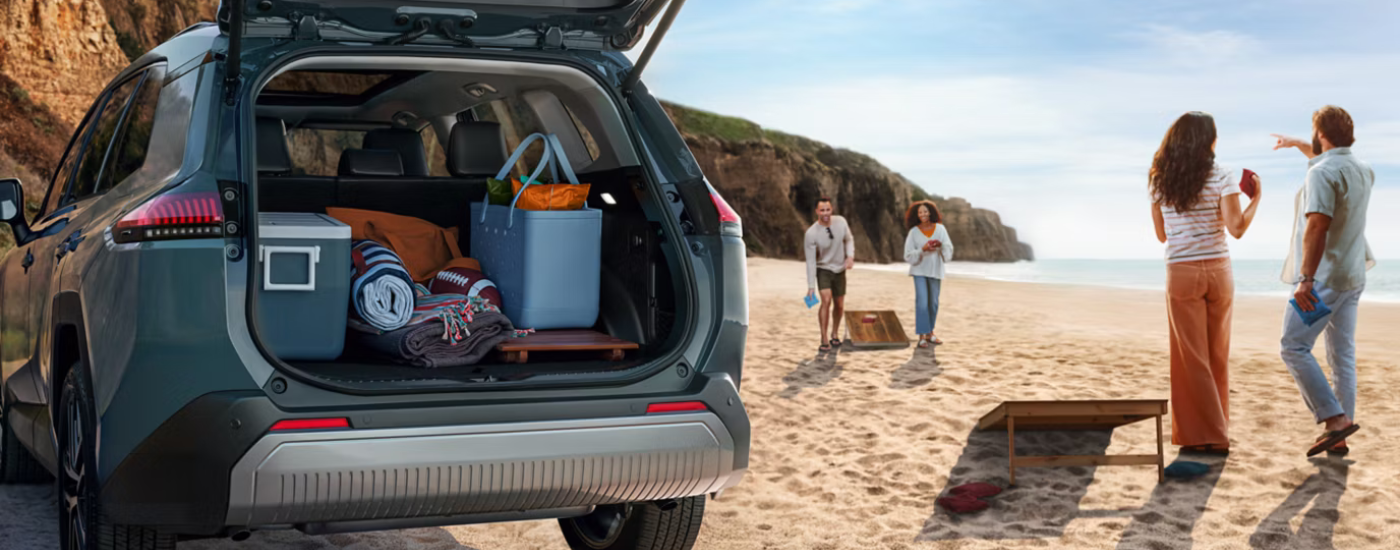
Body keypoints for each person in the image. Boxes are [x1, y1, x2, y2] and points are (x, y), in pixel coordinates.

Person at [1149, 111, 1262, 454]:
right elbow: (1237, 229)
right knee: (1216, 355)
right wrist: (1255, 199)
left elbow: (1161, 234)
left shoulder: (1159, 179)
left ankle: (1208, 436)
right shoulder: (1223, 175)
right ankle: (1215, 431)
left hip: (1181, 272)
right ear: (1208, 141)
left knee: (1190, 359)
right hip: (1218, 271)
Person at [1271, 105, 1374, 457]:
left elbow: (1317, 226)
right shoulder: (1363, 170)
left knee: (1293, 346)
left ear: (1322, 135)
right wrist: (1298, 142)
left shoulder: (1322, 173)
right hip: (1353, 276)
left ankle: (1335, 420)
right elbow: (1324, 160)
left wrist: (1305, 280)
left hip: (1325, 280)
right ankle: (1340, 435)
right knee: (1342, 356)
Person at [805, 197, 855, 352]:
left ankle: (834, 334)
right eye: (822, 210)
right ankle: (824, 338)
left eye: (828, 210)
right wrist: (811, 286)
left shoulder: (841, 222)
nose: (825, 213)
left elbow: (849, 239)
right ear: (817, 211)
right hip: (823, 269)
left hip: (840, 269)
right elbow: (811, 261)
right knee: (826, 301)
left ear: (831, 209)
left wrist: (850, 256)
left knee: (839, 305)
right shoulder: (811, 233)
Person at [902, 200, 954, 348]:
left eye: (925, 211)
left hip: (935, 270)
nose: (923, 214)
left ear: (930, 212)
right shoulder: (913, 232)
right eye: (920, 212)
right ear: (916, 215)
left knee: (933, 304)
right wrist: (923, 249)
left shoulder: (941, 229)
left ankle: (930, 333)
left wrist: (940, 245)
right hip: (919, 271)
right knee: (922, 303)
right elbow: (908, 255)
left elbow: (948, 249)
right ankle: (922, 336)